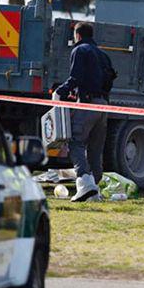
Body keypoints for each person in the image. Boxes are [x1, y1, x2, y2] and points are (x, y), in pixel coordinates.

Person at [54, 22, 114, 202]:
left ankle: (85, 183)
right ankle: (95, 189)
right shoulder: (103, 54)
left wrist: (60, 92)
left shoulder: (80, 50)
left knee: (75, 141)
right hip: (103, 105)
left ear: (78, 35)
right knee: (96, 148)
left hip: (87, 103)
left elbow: (75, 77)